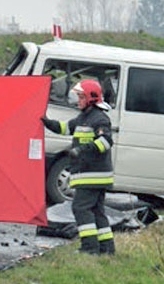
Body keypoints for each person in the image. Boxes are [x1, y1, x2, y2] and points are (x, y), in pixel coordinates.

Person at [41, 79, 115, 254]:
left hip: (92, 175)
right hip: (92, 175)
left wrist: (80, 150)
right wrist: (46, 122)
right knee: (97, 212)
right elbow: (66, 128)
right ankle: (106, 248)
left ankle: (89, 248)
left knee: (80, 208)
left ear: (91, 98)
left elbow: (106, 142)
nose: (78, 100)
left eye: (81, 97)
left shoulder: (99, 118)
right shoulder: (84, 117)